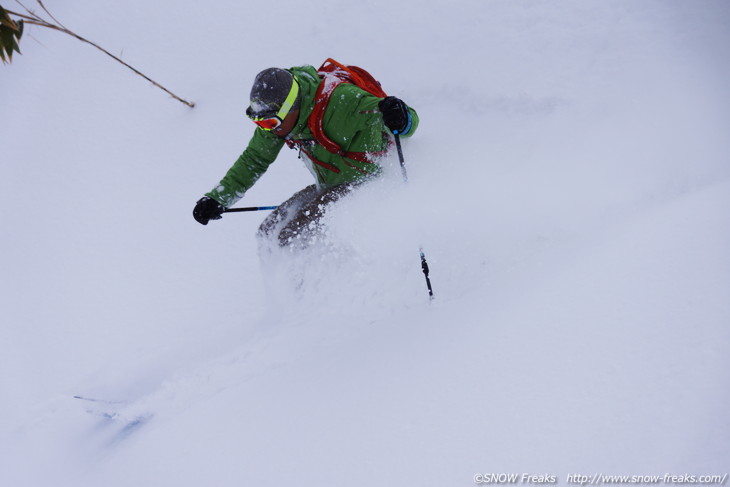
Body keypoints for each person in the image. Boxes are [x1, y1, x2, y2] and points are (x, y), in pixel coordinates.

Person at [192, 60, 419, 246]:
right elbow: (255, 159)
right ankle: (286, 293)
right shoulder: (277, 121)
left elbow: (407, 124)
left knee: (291, 238)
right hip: (330, 186)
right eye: (259, 122)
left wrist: (400, 116)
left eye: (269, 121)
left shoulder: (344, 102)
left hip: (369, 185)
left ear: (293, 106)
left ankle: (315, 294)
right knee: (268, 231)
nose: (267, 128)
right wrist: (218, 199)